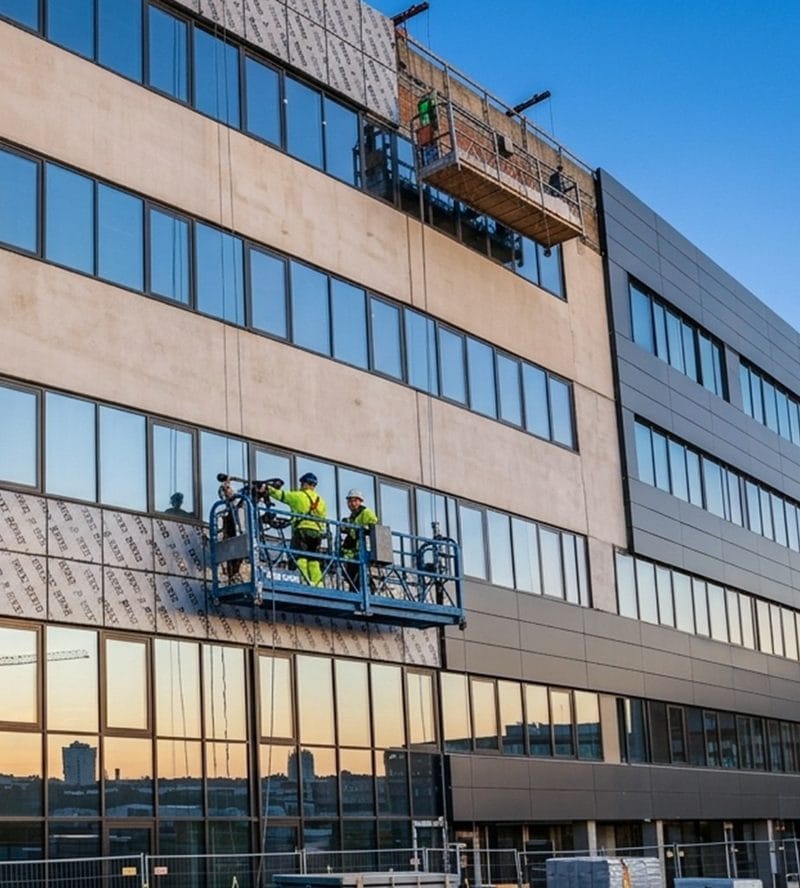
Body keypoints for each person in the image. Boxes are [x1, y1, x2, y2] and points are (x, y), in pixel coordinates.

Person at [267, 472, 327, 586]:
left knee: (301, 558)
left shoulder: (299, 496)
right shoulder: (321, 502)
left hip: (302, 531)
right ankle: (318, 584)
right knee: (314, 560)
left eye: (301, 484)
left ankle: (303, 581)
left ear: (305, 484)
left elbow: (281, 495)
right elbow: (323, 520)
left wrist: (267, 488)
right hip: (317, 533)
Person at [340, 490, 378, 591]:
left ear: (360, 501)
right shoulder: (353, 516)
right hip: (353, 551)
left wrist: (363, 529)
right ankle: (357, 590)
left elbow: (373, 525)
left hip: (361, 550)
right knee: (349, 573)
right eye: (349, 501)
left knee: (358, 573)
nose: (351, 504)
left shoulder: (366, 512)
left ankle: (367, 588)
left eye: (354, 501)